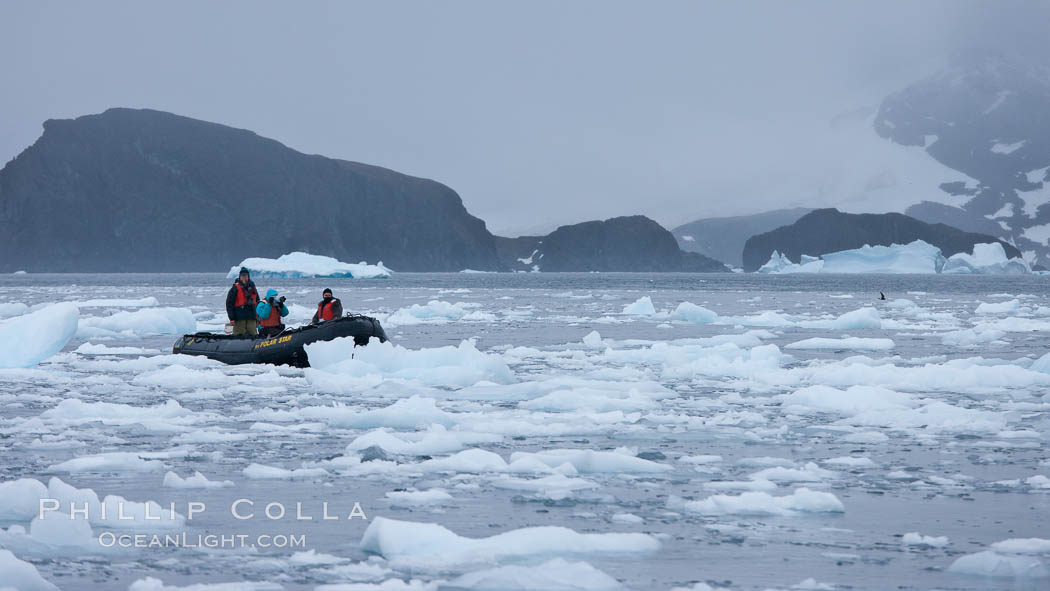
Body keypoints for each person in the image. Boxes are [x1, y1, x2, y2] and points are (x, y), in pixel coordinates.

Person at [226, 267, 260, 335]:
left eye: (245, 276)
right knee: (238, 336)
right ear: (240, 277)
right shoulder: (235, 289)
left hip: (251, 318)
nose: (244, 277)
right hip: (239, 318)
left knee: (253, 335)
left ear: (248, 277)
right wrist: (231, 318)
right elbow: (229, 304)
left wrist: (258, 318)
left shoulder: (253, 288)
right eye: (242, 276)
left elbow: (258, 302)